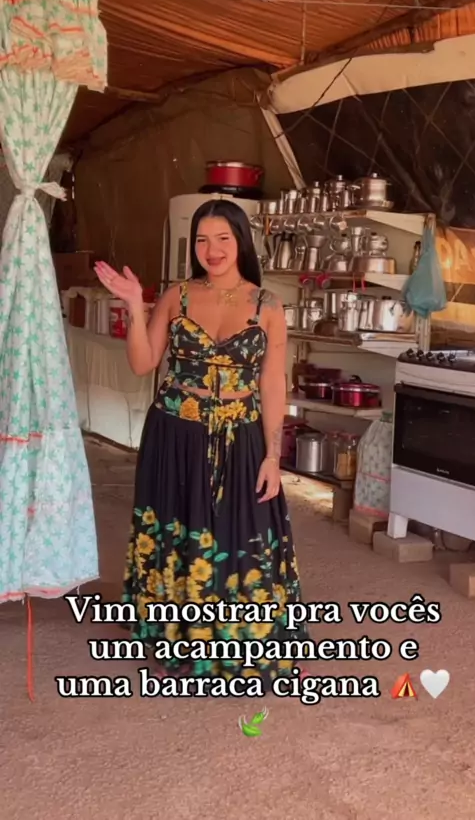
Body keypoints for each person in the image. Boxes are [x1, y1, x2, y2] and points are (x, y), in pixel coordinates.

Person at [94, 199, 308, 689]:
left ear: (241, 242)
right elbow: (143, 364)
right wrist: (135, 305)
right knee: (178, 534)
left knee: (242, 535)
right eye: (202, 240)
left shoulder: (268, 305)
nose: (212, 250)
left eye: (223, 239)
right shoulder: (178, 296)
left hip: (241, 434)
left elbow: (273, 383)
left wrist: (273, 456)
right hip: (175, 432)